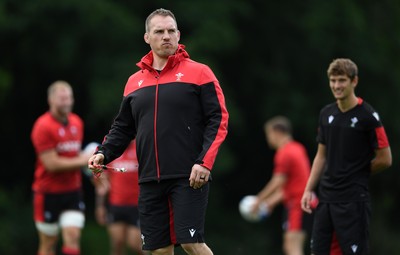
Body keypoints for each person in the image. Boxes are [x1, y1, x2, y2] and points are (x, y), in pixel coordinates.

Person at [88, 8, 229, 255]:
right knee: (159, 250)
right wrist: (103, 153)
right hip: (150, 178)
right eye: (159, 31)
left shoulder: (200, 73)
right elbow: (123, 127)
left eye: (171, 31)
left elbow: (219, 120)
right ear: (147, 38)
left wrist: (204, 163)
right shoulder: (134, 81)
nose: (166, 36)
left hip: (189, 175)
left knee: (191, 243)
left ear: (178, 34)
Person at [301, 58, 392, 255]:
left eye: (341, 80)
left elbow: (385, 158)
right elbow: (321, 156)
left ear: (354, 81)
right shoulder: (326, 114)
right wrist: (309, 189)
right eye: (333, 81)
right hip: (326, 199)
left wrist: (356, 173)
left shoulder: (368, 116)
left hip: (353, 200)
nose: (336, 86)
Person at [31, 81, 91, 255]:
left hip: (72, 191)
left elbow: (74, 155)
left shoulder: (77, 122)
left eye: (69, 98)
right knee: (49, 244)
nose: (66, 102)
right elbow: (52, 164)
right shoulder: (42, 126)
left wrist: (92, 162)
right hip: (48, 193)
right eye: (62, 98)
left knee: (72, 235)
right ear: (50, 100)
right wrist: (84, 161)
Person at [252, 116, 313, 255]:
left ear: (277, 132)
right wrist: (270, 202)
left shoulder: (284, 153)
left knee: (293, 247)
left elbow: (277, 181)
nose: (268, 138)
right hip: (302, 202)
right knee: (290, 246)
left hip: (298, 204)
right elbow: (291, 185)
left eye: (268, 134)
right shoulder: (298, 148)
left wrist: (258, 200)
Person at [94, 140, 148, 255]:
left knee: (135, 245)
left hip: (137, 206)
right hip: (116, 205)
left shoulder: (141, 148)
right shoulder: (111, 151)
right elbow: (103, 183)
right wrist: (100, 206)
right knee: (117, 244)